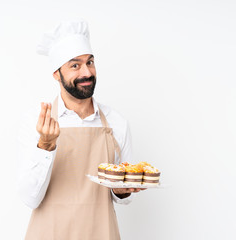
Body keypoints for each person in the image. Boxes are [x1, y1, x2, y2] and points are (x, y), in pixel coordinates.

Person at [18, 20, 145, 240]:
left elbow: (124, 193)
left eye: (90, 62)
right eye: (75, 65)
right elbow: (30, 198)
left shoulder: (117, 122)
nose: (87, 72)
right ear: (56, 74)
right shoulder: (35, 122)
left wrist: (122, 191)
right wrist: (45, 146)